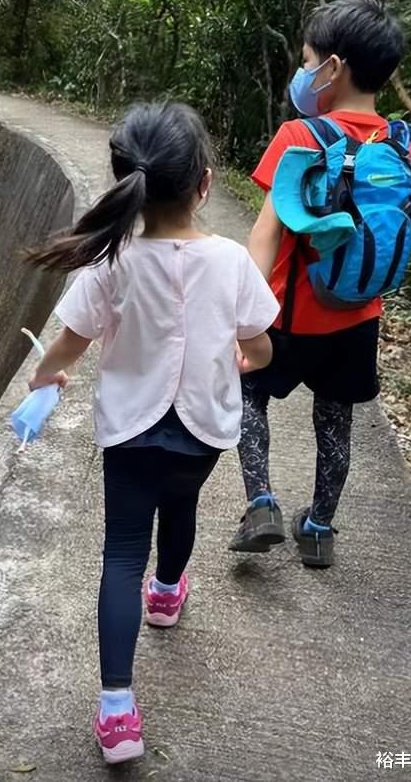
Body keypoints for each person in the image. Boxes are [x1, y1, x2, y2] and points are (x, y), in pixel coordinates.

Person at [26, 102, 279, 764]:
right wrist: (236, 358)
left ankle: (116, 712)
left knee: (120, 554)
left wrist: (43, 384)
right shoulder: (230, 263)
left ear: (126, 187)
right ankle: (167, 595)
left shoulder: (111, 263)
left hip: (130, 436)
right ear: (204, 183)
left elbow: (67, 347)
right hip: (199, 438)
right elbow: (261, 350)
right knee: (183, 509)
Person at [229, 0, 411, 568]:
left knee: (248, 396)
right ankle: (319, 528)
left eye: (307, 60)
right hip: (359, 321)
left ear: (334, 67)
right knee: (336, 419)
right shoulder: (398, 144)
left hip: (289, 316)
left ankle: (262, 504)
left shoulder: (302, 137)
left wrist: (242, 317)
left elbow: (265, 236)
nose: (304, 72)